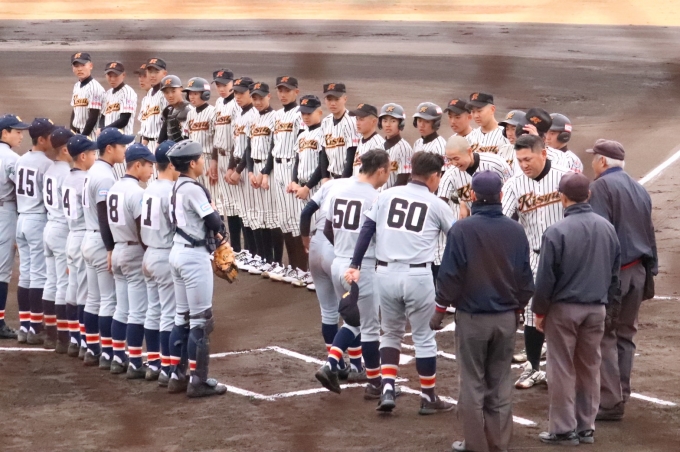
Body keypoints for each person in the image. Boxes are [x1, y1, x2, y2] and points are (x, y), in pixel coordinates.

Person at [345, 152, 456, 415]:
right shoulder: (437, 204)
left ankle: (386, 388)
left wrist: (355, 263)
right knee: (424, 337)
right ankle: (428, 397)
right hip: (418, 276)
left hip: (384, 274)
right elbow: (456, 238)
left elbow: (367, 229)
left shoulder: (386, 195)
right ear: (434, 176)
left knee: (391, 333)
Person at [431, 171, 534, 452]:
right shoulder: (516, 230)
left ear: (473, 196)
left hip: (472, 319)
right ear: (501, 195)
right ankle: (498, 443)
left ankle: (475, 445)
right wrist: (517, 308)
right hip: (506, 318)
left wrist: (439, 309)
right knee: (499, 383)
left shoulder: (462, 230)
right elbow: (526, 279)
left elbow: (450, 276)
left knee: (472, 383)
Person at [533, 172, 621, 446]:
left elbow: (545, 278)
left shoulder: (556, 231)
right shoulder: (607, 228)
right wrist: (607, 303)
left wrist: (539, 311)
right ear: (589, 195)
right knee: (590, 367)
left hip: (564, 310)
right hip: (596, 308)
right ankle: (586, 428)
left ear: (562, 198)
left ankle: (563, 429)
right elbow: (614, 274)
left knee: (561, 368)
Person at [587, 139, 657, 421]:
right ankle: (621, 392)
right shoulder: (639, 188)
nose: (592, 163)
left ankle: (609, 402)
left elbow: (600, 234)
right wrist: (651, 271)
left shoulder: (600, 187)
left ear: (603, 161)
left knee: (605, 335)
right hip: (638, 271)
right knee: (625, 335)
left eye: (594, 158)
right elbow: (649, 231)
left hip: (615, 276)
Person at [314, 149, 390, 397]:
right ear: (381, 170)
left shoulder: (339, 191)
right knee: (370, 327)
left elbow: (328, 229)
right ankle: (375, 384)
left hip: (338, 264)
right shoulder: (376, 197)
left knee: (352, 322)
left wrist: (342, 249)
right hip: (361, 268)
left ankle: (330, 364)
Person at [502, 134, 571, 389]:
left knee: (563, 312)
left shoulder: (564, 178)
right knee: (532, 313)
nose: (523, 165)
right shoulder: (514, 184)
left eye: (528, 159)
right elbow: (503, 219)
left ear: (543, 153)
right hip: (534, 255)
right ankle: (533, 367)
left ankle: (562, 368)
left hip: (566, 258)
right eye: (519, 160)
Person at [166, 139, 228, 397]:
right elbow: (214, 222)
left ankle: (177, 376)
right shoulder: (193, 189)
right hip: (193, 258)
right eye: (201, 158)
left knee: (181, 318)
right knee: (201, 322)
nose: (203, 161)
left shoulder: (176, 185)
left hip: (177, 253)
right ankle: (198, 382)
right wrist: (218, 220)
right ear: (192, 163)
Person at [81, 128, 133, 367]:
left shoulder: (94, 171)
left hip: (88, 238)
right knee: (109, 301)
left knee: (94, 299)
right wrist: (110, 248)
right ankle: (111, 354)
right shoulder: (104, 177)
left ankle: (93, 350)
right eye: (122, 146)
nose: (125, 150)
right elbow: (104, 216)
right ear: (109, 148)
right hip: (100, 241)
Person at [107, 144, 156, 377]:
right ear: (137, 165)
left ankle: (118, 357)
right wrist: (149, 253)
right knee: (137, 311)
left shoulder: (114, 188)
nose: (152, 170)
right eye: (149, 166)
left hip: (117, 248)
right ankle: (135, 362)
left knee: (121, 309)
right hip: (133, 251)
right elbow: (142, 228)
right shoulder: (137, 192)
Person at [141, 140, 179, 385]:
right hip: (165, 255)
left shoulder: (149, 188)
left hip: (149, 255)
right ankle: (167, 368)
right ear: (173, 164)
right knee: (169, 314)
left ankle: (154, 363)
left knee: (153, 311)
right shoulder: (171, 192)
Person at [15, 118, 56, 345]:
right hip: (37, 220)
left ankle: (24, 326)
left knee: (26, 274)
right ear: (41, 139)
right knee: (39, 275)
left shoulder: (21, 160)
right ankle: (35, 327)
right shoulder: (47, 164)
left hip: (21, 219)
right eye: (50, 136)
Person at [62, 134, 98, 357]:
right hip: (84, 235)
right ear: (83, 156)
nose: (95, 156)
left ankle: (74, 339)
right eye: (93, 153)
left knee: (73, 289)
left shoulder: (67, 178)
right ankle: (85, 342)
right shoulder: (85, 180)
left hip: (71, 236)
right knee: (86, 293)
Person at [264, 76, 305, 270]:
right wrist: (266, 172)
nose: (283, 94)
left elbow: (301, 146)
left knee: (296, 219)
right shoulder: (277, 115)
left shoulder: (300, 114)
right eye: (280, 90)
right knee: (284, 219)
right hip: (277, 167)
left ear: (296, 92)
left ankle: (302, 268)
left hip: (291, 167)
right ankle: (292, 267)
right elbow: (273, 144)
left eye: (287, 90)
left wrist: (295, 178)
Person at [43, 127, 75, 353]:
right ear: (65, 149)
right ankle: (63, 338)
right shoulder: (66, 174)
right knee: (63, 283)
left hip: (48, 227)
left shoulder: (50, 170)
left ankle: (50, 334)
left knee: (51, 281)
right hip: (62, 229)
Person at [245, 82, 283, 270]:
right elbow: (248, 147)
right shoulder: (252, 118)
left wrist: (264, 172)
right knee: (261, 216)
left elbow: (273, 148)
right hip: (255, 168)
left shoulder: (275, 117)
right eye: (254, 98)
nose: (258, 102)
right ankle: (264, 259)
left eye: (261, 98)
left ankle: (277, 261)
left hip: (270, 170)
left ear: (269, 96)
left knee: (273, 217)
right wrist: (251, 171)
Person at [0, 114, 30, 339]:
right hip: (5, 213)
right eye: (17, 131)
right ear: (4, 133)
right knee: (2, 270)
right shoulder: (12, 159)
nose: (21, 136)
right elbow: (23, 194)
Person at [227, 77, 258, 255]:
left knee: (251, 214)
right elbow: (235, 143)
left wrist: (238, 170)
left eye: (241, 93)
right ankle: (248, 253)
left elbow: (249, 146)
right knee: (243, 212)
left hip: (248, 167)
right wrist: (230, 167)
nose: (237, 97)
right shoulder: (239, 113)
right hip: (239, 165)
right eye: (235, 93)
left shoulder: (254, 114)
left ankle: (254, 253)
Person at [211, 69, 241, 249]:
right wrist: (214, 161)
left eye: (225, 84)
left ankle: (239, 248)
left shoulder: (237, 104)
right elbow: (216, 133)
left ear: (233, 83)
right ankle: (235, 248)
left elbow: (237, 138)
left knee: (238, 207)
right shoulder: (218, 103)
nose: (221, 88)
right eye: (218, 85)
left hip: (233, 159)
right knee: (228, 206)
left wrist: (232, 165)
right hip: (220, 157)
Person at [183, 77, 218, 206]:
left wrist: (214, 161)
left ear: (205, 94)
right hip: (194, 161)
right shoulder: (190, 114)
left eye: (195, 93)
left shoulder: (213, 112)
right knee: (199, 199)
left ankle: (217, 220)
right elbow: (186, 138)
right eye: (190, 93)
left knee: (213, 198)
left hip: (208, 159)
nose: (191, 97)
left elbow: (217, 139)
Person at [100, 61, 137, 178]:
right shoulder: (107, 94)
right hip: (109, 145)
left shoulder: (128, 93)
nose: (112, 79)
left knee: (122, 178)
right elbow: (103, 116)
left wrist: (104, 130)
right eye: (109, 75)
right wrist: (101, 128)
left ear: (123, 75)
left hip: (123, 145)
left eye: (115, 75)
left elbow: (124, 120)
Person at [320, 83, 358, 179]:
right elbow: (323, 153)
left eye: (337, 99)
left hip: (348, 177)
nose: (333, 103)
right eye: (329, 99)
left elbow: (352, 156)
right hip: (332, 177)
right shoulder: (326, 122)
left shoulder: (351, 121)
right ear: (325, 100)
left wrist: (342, 182)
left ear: (345, 99)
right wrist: (325, 177)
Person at [69, 52, 104, 141]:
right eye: (76, 66)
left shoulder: (95, 88)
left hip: (90, 136)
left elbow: (93, 117)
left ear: (90, 66)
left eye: (83, 65)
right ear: (72, 68)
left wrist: (82, 138)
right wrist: (72, 133)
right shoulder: (77, 86)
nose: (80, 69)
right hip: (77, 134)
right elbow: (74, 111)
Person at [377, 103, 412, 190]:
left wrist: (387, 195)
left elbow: (403, 180)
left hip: (394, 195)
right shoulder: (378, 147)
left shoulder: (404, 148)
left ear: (401, 124)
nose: (388, 125)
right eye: (385, 121)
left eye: (393, 121)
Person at [138, 57, 168, 152]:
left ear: (164, 73)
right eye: (150, 72)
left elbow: (167, 122)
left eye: (156, 72)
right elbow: (144, 125)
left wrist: (159, 144)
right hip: (146, 144)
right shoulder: (147, 96)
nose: (152, 75)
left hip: (160, 143)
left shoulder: (165, 94)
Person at [350, 104, 385, 176]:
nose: (357, 123)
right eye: (357, 119)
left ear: (374, 121)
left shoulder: (379, 144)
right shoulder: (361, 140)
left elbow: (378, 175)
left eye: (361, 119)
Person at [158, 75, 191, 143]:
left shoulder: (189, 110)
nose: (170, 95)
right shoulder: (168, 111)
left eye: (173, 91)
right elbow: (162, 137)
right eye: (166, 92)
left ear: (181, 89)